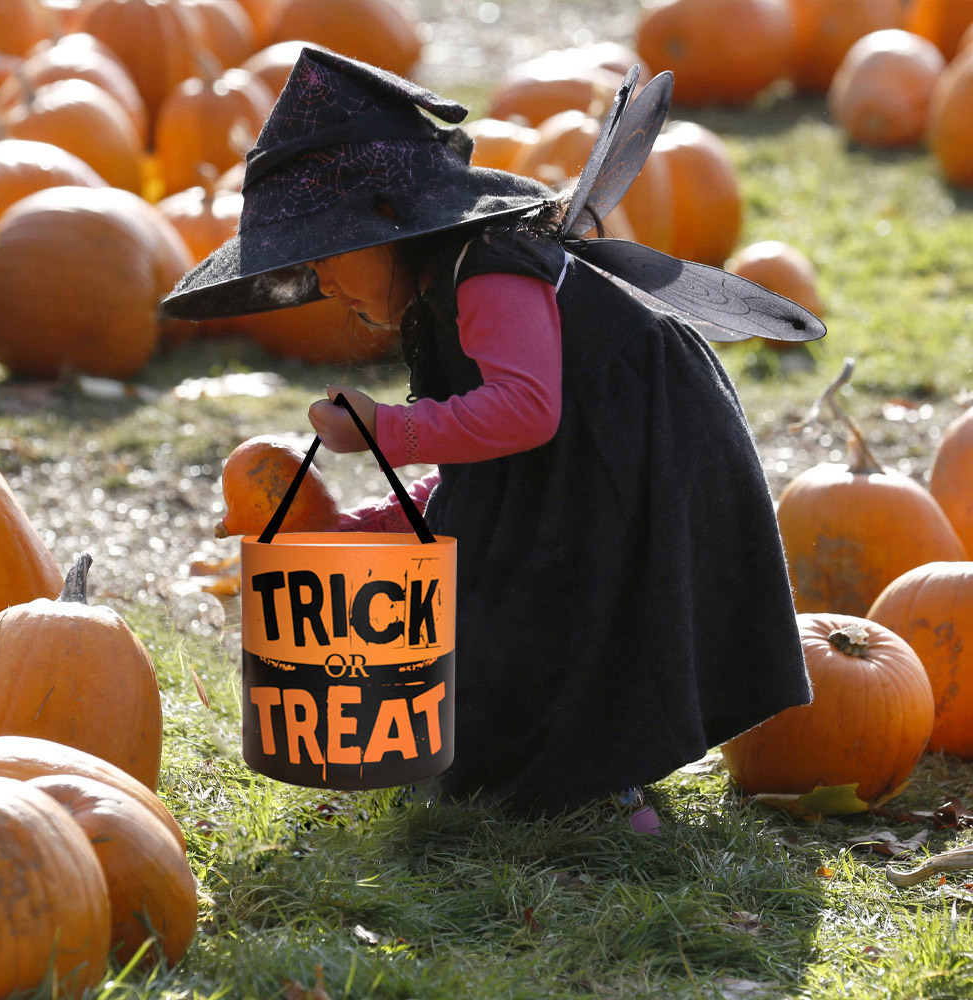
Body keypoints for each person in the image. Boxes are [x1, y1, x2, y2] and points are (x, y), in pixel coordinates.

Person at [161, 44, 819, 823]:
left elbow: (524, 410)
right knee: (496, 594)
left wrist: (387, 430)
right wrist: (366, 524)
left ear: (391, 225)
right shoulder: (449, 281)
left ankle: (599, 785)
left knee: (560, 605)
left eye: (327, 257)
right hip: (574, 452)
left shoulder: (490, 267)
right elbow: (491, 468)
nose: (322, 284)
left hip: (635, 446)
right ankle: (535, 772)